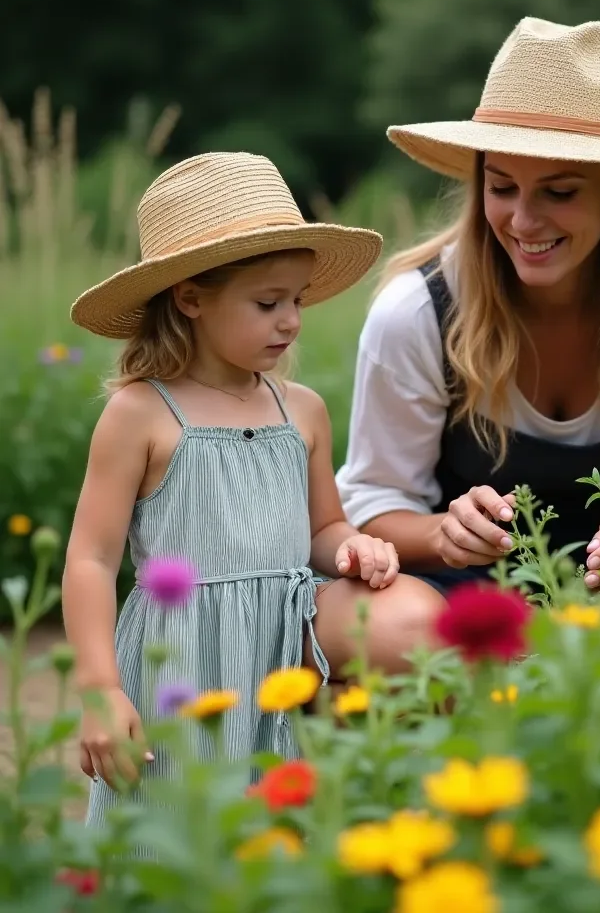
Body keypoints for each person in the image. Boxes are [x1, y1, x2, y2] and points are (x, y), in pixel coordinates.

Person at [63, 152, 445, 826]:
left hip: (282, 652)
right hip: (181, 657)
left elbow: (324, 530)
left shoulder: (301, 411)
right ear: (190, 298)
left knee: (276, 832)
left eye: (296, 300)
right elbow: (90, 560)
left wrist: (357, 550)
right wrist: (99, 688)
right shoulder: (141, 414)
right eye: (268, 303)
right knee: (172, 834)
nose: (291, 320)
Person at [336, 17, 600, 602]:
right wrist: (445, 532)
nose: (522, 221)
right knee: (391, 619)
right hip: (461, 596)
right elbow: (373, 500)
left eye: (559, 192)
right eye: (501, 187)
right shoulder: (419, 308)